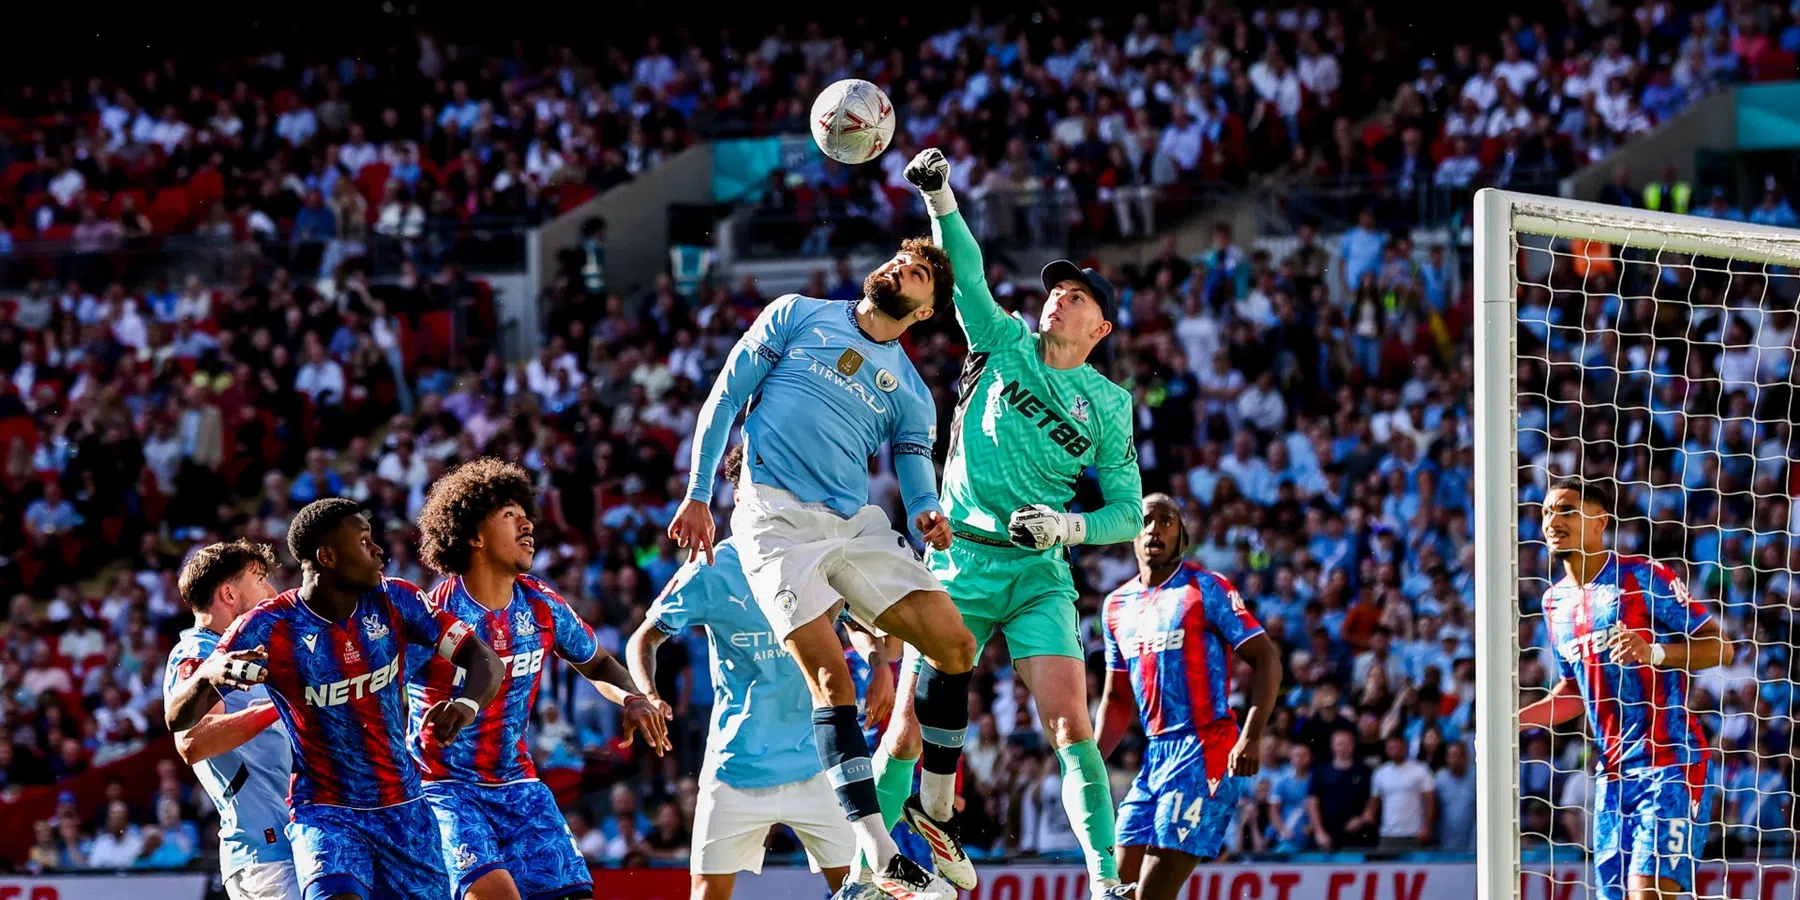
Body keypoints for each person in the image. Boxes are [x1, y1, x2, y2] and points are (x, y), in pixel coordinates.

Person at [667, 220, 976, 900]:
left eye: (916, 273)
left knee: (956, 645)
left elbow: (914, 470)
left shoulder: (913, 393)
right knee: (833, 683)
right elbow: (724, 397)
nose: (898, 270)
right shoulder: (797, 314)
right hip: (772, 519)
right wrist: (698, 495)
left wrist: (927, 514)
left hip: (855, 524)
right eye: (897, 260)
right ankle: (881, 850)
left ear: (925, 311)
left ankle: (935, 807)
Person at [879, 146, 1144, 900]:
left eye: (1077, 296)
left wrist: (1067, 529)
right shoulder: (1000, 341)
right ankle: (866, 870)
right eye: (1056, 290)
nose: (1058, 298)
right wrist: (941, 199)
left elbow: (1126, 512)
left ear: (1101, 328)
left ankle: (1103, 881)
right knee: (904, 732)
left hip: (1036, 575)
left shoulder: (1111, 406)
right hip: (959, 562)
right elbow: (966, 270)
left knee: (1072, 730)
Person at [166, 498, 506, 900]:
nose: (378, 550)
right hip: (293, 829)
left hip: (400, 808)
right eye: (260, 579)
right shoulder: (243, 637)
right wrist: (231, 685)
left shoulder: (394, 603)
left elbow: (478, 659)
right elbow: (186, 734)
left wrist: (464, 703)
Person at [631, 444, 890, 900]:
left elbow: (860, 624)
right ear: (741, 494)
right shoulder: (710, 568)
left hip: (818, 764)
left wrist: (880, 664)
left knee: (863, 892)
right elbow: (643, 639)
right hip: (735, 767)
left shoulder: (817, 556)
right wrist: (649, 693)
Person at [412, 458, 672, 900]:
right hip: (445, 789)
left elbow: (600, 665)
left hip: (520, 785)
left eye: (525, 513)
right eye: (509, 516)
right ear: (473, 535)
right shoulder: (429, 614)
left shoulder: (541, 603)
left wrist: (631, 697)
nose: (527, 523)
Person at [1521, 476, 1733, 900]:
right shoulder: (1554, 603)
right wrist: (1512, 722)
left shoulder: (1642, 576)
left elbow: (1721, 648)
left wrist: (1654, 652)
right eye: (1546, 512)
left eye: (1566, 510)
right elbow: (1574, 692)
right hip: (1613, 778)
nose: (1552, 521)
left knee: (1647, 892)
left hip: (1670, 764)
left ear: (1600, 522)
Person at [1095, 494, 1283, 900]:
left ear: (1181, 535)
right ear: (1132, 531)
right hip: (1155, 758)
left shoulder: (1207, 587)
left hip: (1207, 749)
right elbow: (1116, 700)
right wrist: (1087, 765)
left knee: (1150, 896)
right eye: (1147, 520)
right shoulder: (1116, 606)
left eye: (1167, 521)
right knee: (1111, 891)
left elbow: (1266, 658)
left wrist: (1251, 735)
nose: (1155, 529)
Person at [163, 540, 298, 900]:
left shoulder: (249, 651)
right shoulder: (198, 655)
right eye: (259, 579)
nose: (271, 591)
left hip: (290, 845)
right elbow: (193, 742)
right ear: (227, 593)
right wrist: (284, 706)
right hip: (267, 855)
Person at [1366, 735, 1435, 851]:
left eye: (1399, 747)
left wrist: (1427, 827)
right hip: (1388, 834)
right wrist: (1368, 815)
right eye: (1391, 748)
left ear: (1405, 748)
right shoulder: (1380, 773)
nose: (1395, 751)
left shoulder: (1421, 770)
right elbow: (1373, 802)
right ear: (1386, 750)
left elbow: (1429, 801)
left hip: (1414, 834)